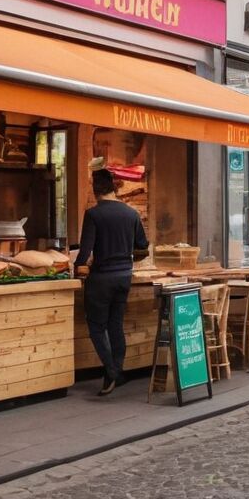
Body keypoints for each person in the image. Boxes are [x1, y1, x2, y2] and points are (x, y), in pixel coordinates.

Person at [75, 168, 149, 396]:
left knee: (97, 327)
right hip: (124, 276)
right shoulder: (131, 213)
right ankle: (115, 372)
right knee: (115, 325)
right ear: (114, 188)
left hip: (101, 278)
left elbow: (85, 250)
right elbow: (143, 246)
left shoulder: (94, 214)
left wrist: (77, 267)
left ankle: (114, 372)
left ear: (94, 189)